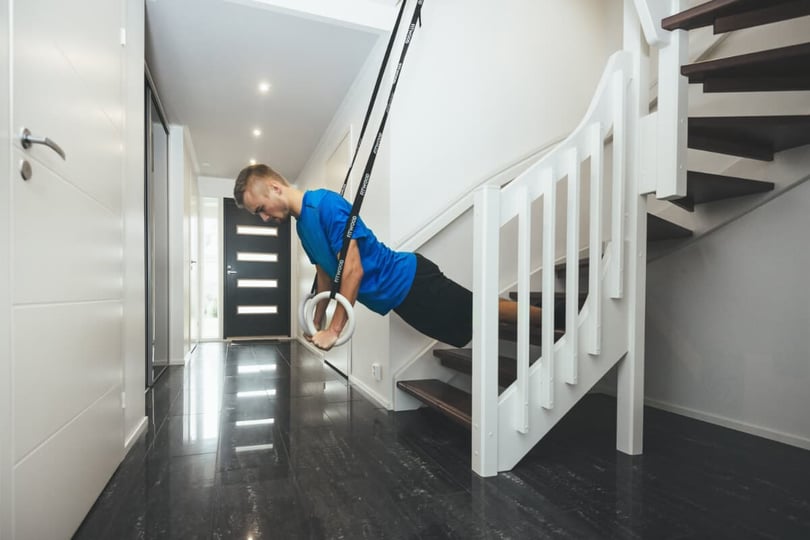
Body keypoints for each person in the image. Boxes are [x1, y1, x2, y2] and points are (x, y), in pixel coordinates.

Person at [233, 164, 541, 351]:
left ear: (274, 188)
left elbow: (352, 270)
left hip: (410, 281)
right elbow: (327, 276)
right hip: (398, 299)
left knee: (484, 311)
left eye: (260, 209)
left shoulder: (326, 205)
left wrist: (335, 329)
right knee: (472, 322)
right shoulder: (303, 228)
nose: (263, 218)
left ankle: (553, 319)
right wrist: (316, 322)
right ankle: (544, 320)